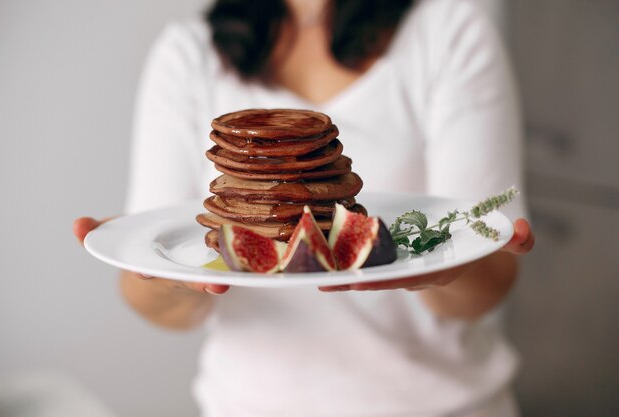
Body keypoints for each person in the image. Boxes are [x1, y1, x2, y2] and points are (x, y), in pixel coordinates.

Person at [73, 0, 535, 415]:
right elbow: (149, 300)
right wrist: (169, 275)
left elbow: (489, 282)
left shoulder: (448, 31)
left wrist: (443, 267)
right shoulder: (189, 53)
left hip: (440, 405)